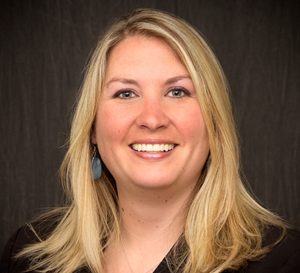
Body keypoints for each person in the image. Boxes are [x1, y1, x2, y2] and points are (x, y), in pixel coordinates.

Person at [1, 8, 300, 273]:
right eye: (126, 93)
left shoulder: (285, 261)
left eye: (178, 92)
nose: (152, 118)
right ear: (92, 127)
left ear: (214, 123)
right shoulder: (27, 256)